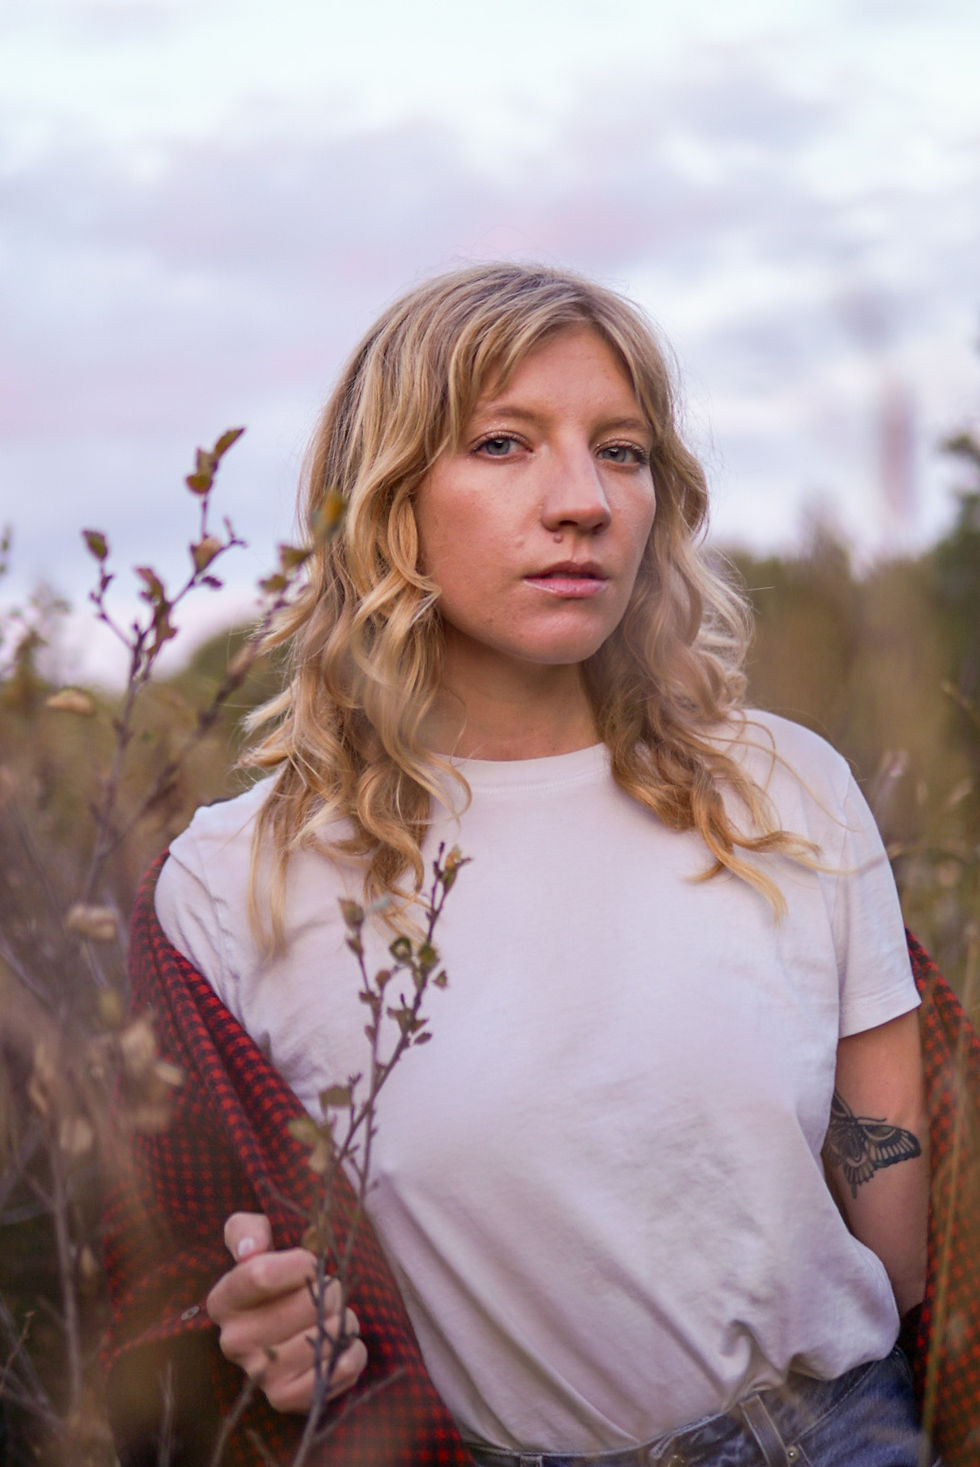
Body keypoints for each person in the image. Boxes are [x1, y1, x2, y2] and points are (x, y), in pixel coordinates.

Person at [104, 263, 944, 1467]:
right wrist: (268, 1325)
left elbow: (892, 1162)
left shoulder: (777, 786)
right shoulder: (233, 883)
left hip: (844, 1431)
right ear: (386, 496)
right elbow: (182, 1256)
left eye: (623, 450)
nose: (581, 501)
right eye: (501, 444)